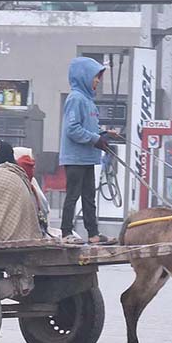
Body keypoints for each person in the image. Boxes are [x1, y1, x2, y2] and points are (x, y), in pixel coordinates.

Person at [59, 57, 117, 245]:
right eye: (95, 76)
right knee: (73, 195)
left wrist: (104, 134)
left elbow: (90, 129)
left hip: (87, 158)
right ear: (83, 76)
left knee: (89, 197)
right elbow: (72, 129)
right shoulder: (75, 98)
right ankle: (66, 232)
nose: (98, 81)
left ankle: (93, 234)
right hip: (75, 158)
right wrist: (96, 139)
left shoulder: (88, 101)